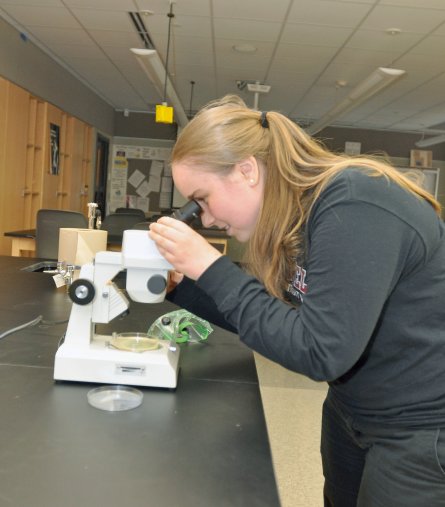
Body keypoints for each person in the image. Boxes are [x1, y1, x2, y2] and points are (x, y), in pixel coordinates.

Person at [149, 95, 445, 507]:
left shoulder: (354, 202)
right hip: (353, 409)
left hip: (421, 427)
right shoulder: (296, 219)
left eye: (202, 200)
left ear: (246, 170)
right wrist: (181, 284)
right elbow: (280, 319)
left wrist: (212, 266)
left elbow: (321, 350)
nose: (208, 219)